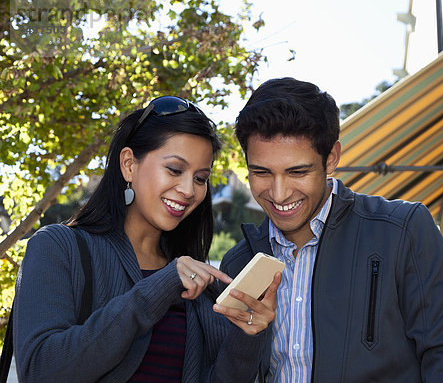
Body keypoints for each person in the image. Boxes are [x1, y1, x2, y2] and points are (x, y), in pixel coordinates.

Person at [219, 78, 443, 382]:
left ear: (331, 158)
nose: (279, 194)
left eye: (298, 172)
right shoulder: (238, 264)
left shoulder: (402, 231)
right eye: (262, 172)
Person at [13, 96, 280, 382]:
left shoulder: (198, 281)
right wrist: (158, 288)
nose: (189, 189)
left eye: (201, 178)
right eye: (175, 170)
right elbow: (41, 370)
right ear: (129, 164)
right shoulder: (57, 246)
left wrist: (247, 335)